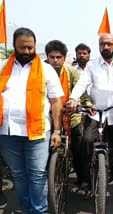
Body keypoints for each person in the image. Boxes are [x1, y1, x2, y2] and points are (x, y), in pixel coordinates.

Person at [66, 33, 113, 204]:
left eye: (109, 44)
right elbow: (82, 83)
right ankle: (88, 182)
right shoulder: (92, 66)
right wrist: (73, 98)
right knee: (86, 143)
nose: (105, 47)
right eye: (102, 44)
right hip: (96, 115)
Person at [0, 28, 63, 213]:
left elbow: (56, 100)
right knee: (19, 175)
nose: (27, 51)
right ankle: (27, 209)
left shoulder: (46, 69)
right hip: (7, 132)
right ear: (14, 46)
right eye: (23, 48)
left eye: (30, 47)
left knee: (36, 175)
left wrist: (57, 131)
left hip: (37, 133)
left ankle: (38, 211)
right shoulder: (3, 67)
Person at [45, 40, 92, 197]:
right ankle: (49, 182)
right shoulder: (41, 71)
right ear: (47, 57)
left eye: (59, 57)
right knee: (46, 152)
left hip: (72, 117)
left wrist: (87, 103)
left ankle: (83, 181)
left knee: (79, 151)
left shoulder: (72, 72)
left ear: (64, 58)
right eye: (52, 57)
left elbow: (82, 90)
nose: (55, 60)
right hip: (49, 118)